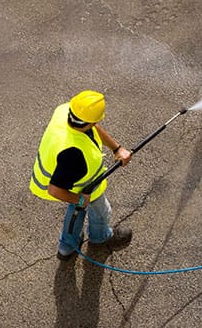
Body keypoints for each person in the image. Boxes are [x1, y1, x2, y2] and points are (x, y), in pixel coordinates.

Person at [30, 90, 133, 261]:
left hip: (71, 181)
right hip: (79, 187)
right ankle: (101, 237)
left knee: (77, 211)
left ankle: (66, 247)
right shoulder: (73, 155)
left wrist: (117, 148)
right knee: (99, 210)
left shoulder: (65, 111)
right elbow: (55, 190)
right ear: (92, 121)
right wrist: (79, 199)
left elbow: (93, 128)